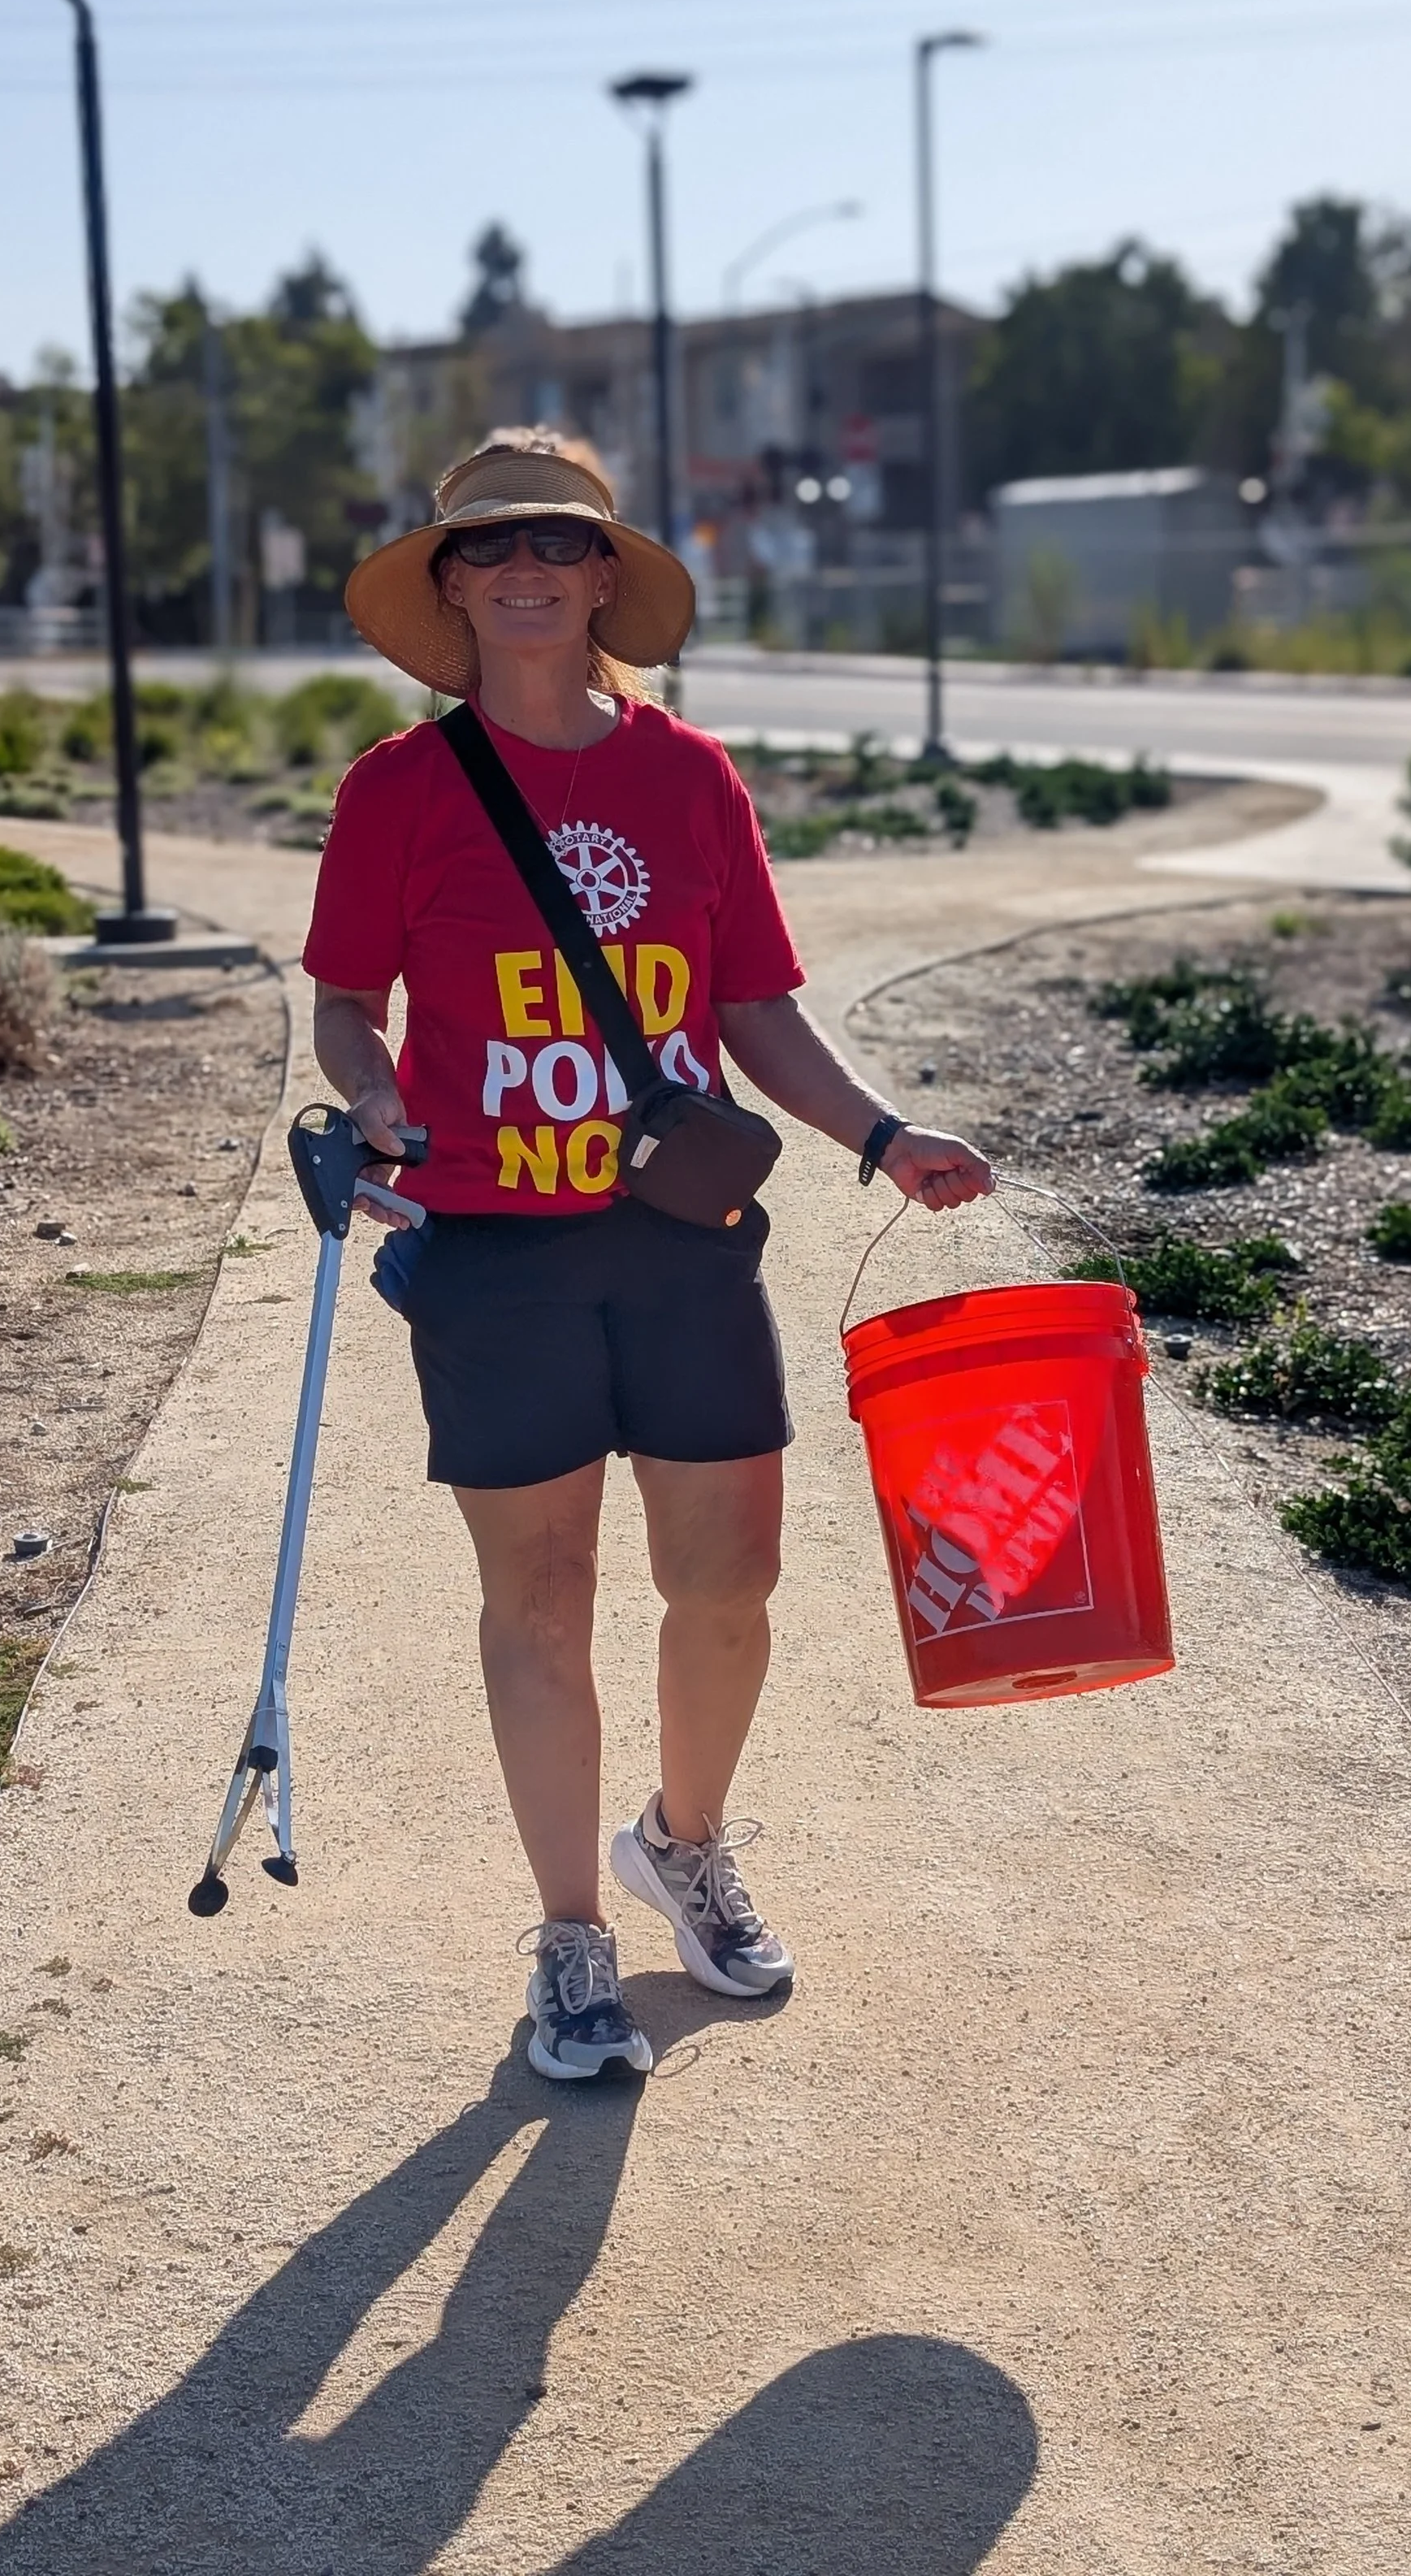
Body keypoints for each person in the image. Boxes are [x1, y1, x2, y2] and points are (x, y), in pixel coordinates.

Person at [306, 431, 993, 2081]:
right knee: (539, 1604)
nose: (527, 566)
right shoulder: (397, 791)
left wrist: (880, 1135)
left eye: (560, 538)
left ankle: (680, 1839)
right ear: (453, 582)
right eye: (490, 545)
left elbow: (751, 1005)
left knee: (728, 1584)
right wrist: (379, 1094)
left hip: (678, 1242)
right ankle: (569, 1936)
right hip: (491, 1250)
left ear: (605, 571)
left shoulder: (688, 779)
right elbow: (344, 1001)